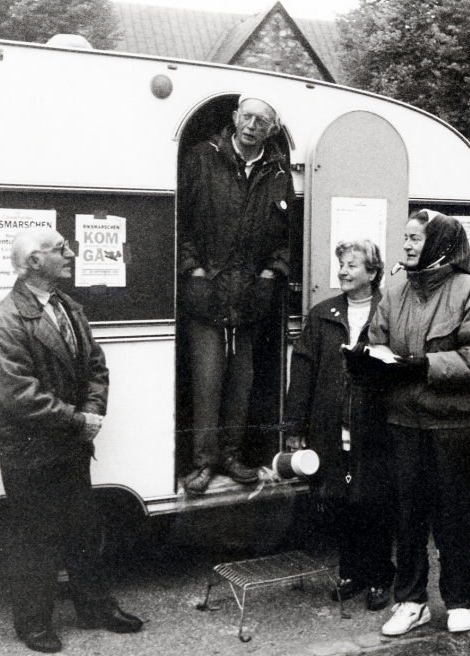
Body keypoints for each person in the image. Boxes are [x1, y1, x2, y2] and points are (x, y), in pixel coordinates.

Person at [0, 228, 143, 654]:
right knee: (36, 540)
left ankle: (95, 608)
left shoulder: (67, 307)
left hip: (67, 444)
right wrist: (78, 420)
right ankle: (32, 625)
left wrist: (90, 412)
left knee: (83, 531)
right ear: (33, 261)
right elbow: (16, 397)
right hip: (31, 452)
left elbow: (95, 366)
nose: (70, 252)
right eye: (59, 249)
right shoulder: (4, 321)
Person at [350, 210, 470, 636]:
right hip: (403, 421)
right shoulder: (395, 288)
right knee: (407, 515)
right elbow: (376, 339)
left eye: (416, 238)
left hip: (451, 425)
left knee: (452, 514)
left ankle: (458, 600)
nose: (408, 245)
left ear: (439, 244)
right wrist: (364, 355)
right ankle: (411, 601)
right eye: (405, 237)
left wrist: (424, 364)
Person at [178, 93, 294, 494]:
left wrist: (268, 276)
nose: (252, 126)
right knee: (207, 379)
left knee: (241, 380)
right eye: (247, 117)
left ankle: (231, 456)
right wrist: (193, 271)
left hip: (249, 294)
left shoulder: (278, 170)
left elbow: (286, 236)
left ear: (272, 129)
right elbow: (182, 223)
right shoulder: (201, 157)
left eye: (262, 121)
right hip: (205, 290)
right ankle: (203, 462)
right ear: (234, 117)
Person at [283, 239, 395, 612]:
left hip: (376, 426)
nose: (343, 271)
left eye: (352, 265)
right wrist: (296, 425)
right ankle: (352, 572)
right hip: (332, 426)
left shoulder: (390, 310)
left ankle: (380, 576)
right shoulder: (322, 314)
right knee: (340, 499)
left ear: (373, 272)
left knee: (375, 502)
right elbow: (302, 372)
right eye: (341, 265)